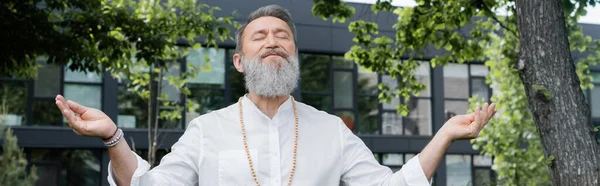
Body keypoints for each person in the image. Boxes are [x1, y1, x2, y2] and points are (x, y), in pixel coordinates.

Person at [54, 4, 496, 186]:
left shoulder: (332, 131)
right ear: (240, 61)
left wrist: (443, 136)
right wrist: (113, 136)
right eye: (259, 36)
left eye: (282, 36)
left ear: (294, 56)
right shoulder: (206, 130)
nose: (272, 41)